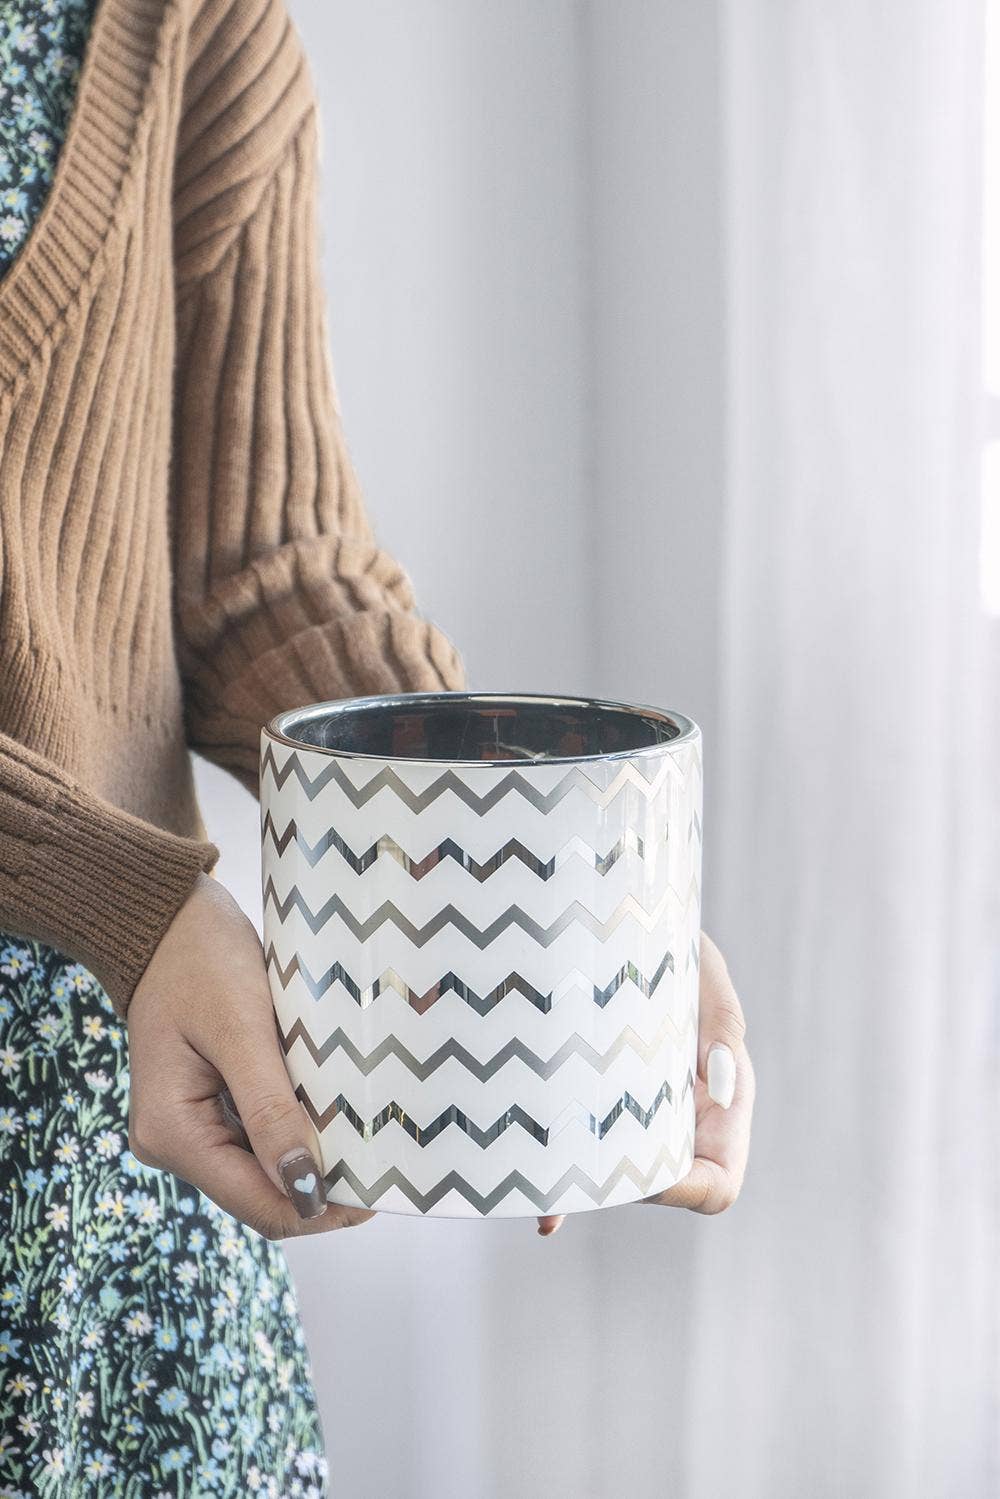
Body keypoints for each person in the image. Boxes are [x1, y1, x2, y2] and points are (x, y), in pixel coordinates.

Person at [0, 0, 755, 1493]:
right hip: (139, 977)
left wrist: (532, 864)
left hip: (102, 1201)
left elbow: (261, 567)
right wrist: (122, 901)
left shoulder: (185, 22)